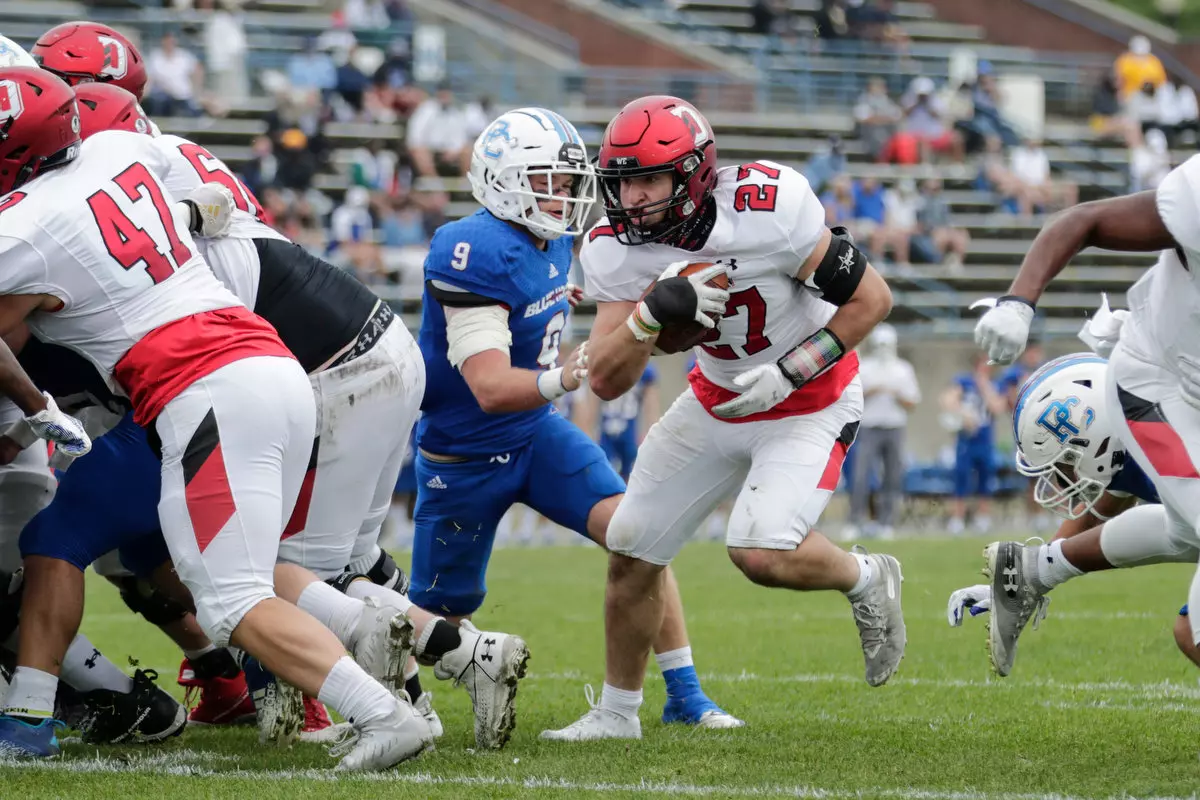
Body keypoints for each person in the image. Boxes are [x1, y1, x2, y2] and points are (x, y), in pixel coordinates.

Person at [0, 66, 427, 768]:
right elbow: (214, 200)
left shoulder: (27, 223)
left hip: (204, 387)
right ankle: (386, 640)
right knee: (249, 575)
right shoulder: (119, 151)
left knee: (231, 599)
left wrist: (30, 410)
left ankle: (383, 713)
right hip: (270, 366)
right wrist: (184, 221)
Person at [543, 95, 904, 742]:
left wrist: (791, 370)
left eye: (649, 179)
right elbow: (605, 376)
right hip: (714, 399)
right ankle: (618, 713)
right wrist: (650, 315)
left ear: (694, 174)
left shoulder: (769, 211)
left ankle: (866, 574)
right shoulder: (613, 249)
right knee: (630, 547)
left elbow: (872, 300)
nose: (632, 199)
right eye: (622, 181)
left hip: (809, 401)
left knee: (759, 551)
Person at [413, 106, 740, 741]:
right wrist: (568, 373)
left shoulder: (556, 239)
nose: (565, 196)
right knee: (430, 616)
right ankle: (386, 706)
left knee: (638, 538)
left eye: (567, 182)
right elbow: (486, 387)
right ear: (504, 180)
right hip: (465, 453)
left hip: (536, 434)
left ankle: (686, 695)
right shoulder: (471, 248)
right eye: (549, 183)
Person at [973, 149, 1200, 679]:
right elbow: (1085, 219)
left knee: (1188, 530)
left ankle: (1033, 571)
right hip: (1158, 382)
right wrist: (1018, 303)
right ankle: (1037, 570)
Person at [946, 352, 1200, 675]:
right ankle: (1032, 570)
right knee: (1188, 618)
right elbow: (1101, 511)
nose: (1060, 481)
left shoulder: (1169, 439)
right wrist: (1029, 576)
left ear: (1095, 440)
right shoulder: (1132, 442)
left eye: (1065, 463)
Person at [846, 324, 919, 540]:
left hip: (894, 427)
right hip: (868, 427)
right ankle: (855, 521)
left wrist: (895, 393)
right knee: (860, 475)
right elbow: (853, 398)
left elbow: (912, 402)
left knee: (892, 476)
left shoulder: (903, 369)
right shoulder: (865, 367)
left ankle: (887, 522)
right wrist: (874, 390)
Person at [941, 353, 1007, 534]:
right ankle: (957, 518)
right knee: (961, 476)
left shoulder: (995, 384)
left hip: (985, 439)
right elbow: (948, 400)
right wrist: (964, 414)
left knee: (986, 477)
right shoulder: (963, 381)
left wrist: (984, 385)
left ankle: (983, 517)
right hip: (966, 438)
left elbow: (998, 407)